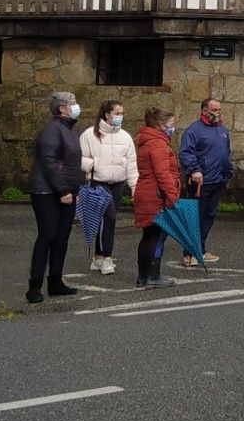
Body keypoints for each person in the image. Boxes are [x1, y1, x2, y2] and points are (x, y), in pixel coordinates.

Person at [26, 91, 85, 304]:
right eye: (73, 103)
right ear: (62, 108)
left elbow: (69, 163)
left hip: (66, 191)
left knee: (62, 237)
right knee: (48, 235)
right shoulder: (52, 130)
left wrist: (72, 189)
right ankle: (34, 285)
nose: (77, 106)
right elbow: (49, 162)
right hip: (47, 192)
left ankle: (55, 281)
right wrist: (63, 190)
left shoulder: (69, 130)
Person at [79, 100, 138, 275]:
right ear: (107, 114)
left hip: (118, 183)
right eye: (117, 113)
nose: (120, 117)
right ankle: (106, 257)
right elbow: (78, 157)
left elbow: (132, 163)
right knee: (110, 218)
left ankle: (97, 256)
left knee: (106, 220)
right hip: (98, 182)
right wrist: (92, 164)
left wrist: (134, 185)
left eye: (122, 113)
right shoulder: (90, 134)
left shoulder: (125, 137)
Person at [178, 98, 232, 267]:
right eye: (214, 109)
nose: (217, 112)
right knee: (196, 217)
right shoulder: (193, 131)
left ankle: (200, 249)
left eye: (219, 109)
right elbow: (186, 153)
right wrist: (194, 170)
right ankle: (189, 253)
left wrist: (229, 169)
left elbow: (226, 151)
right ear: (204, 111)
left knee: (209, 216)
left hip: (218, 179)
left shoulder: (222, 129)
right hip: (201, 181)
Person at [132, 107, 179, 288]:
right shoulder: (159, 144)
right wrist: (173, 196)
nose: (173, 128)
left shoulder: (147, 141)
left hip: (145, 191)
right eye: (171, 125)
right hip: (156, 195)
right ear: (160, 125)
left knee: (148, 236)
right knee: (156, 237)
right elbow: (163, 174)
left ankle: (143, 276)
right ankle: (153, 276)